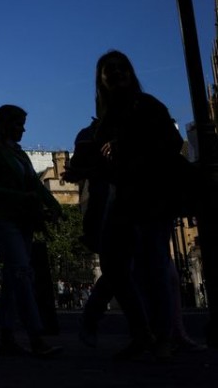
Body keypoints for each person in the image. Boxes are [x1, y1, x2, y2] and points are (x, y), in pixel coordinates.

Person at [67, 50, 186, 359]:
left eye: (121, 68)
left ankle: (162, 338)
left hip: (151, 197)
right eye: (110, 70)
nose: (117, 73)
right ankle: (142, 332)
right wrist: (82, 168)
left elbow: (173, 145)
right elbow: (102, 165)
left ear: (131, 73)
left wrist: (127, 146)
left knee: (155, 268)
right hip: (123, 201)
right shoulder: (106, 119)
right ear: (101, 79)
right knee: (116, 267)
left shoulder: (148, 105)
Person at [0, 104, 63, 358]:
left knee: (15, 278)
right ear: (5, 125)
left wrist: (54, 205)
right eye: (18, 124)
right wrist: (20, 196)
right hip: (3, 220)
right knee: (23, 273)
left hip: (24, 220)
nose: (23, 129)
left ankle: (6, 338)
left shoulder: (20, 155)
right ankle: (36, 337)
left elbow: (37, 186)